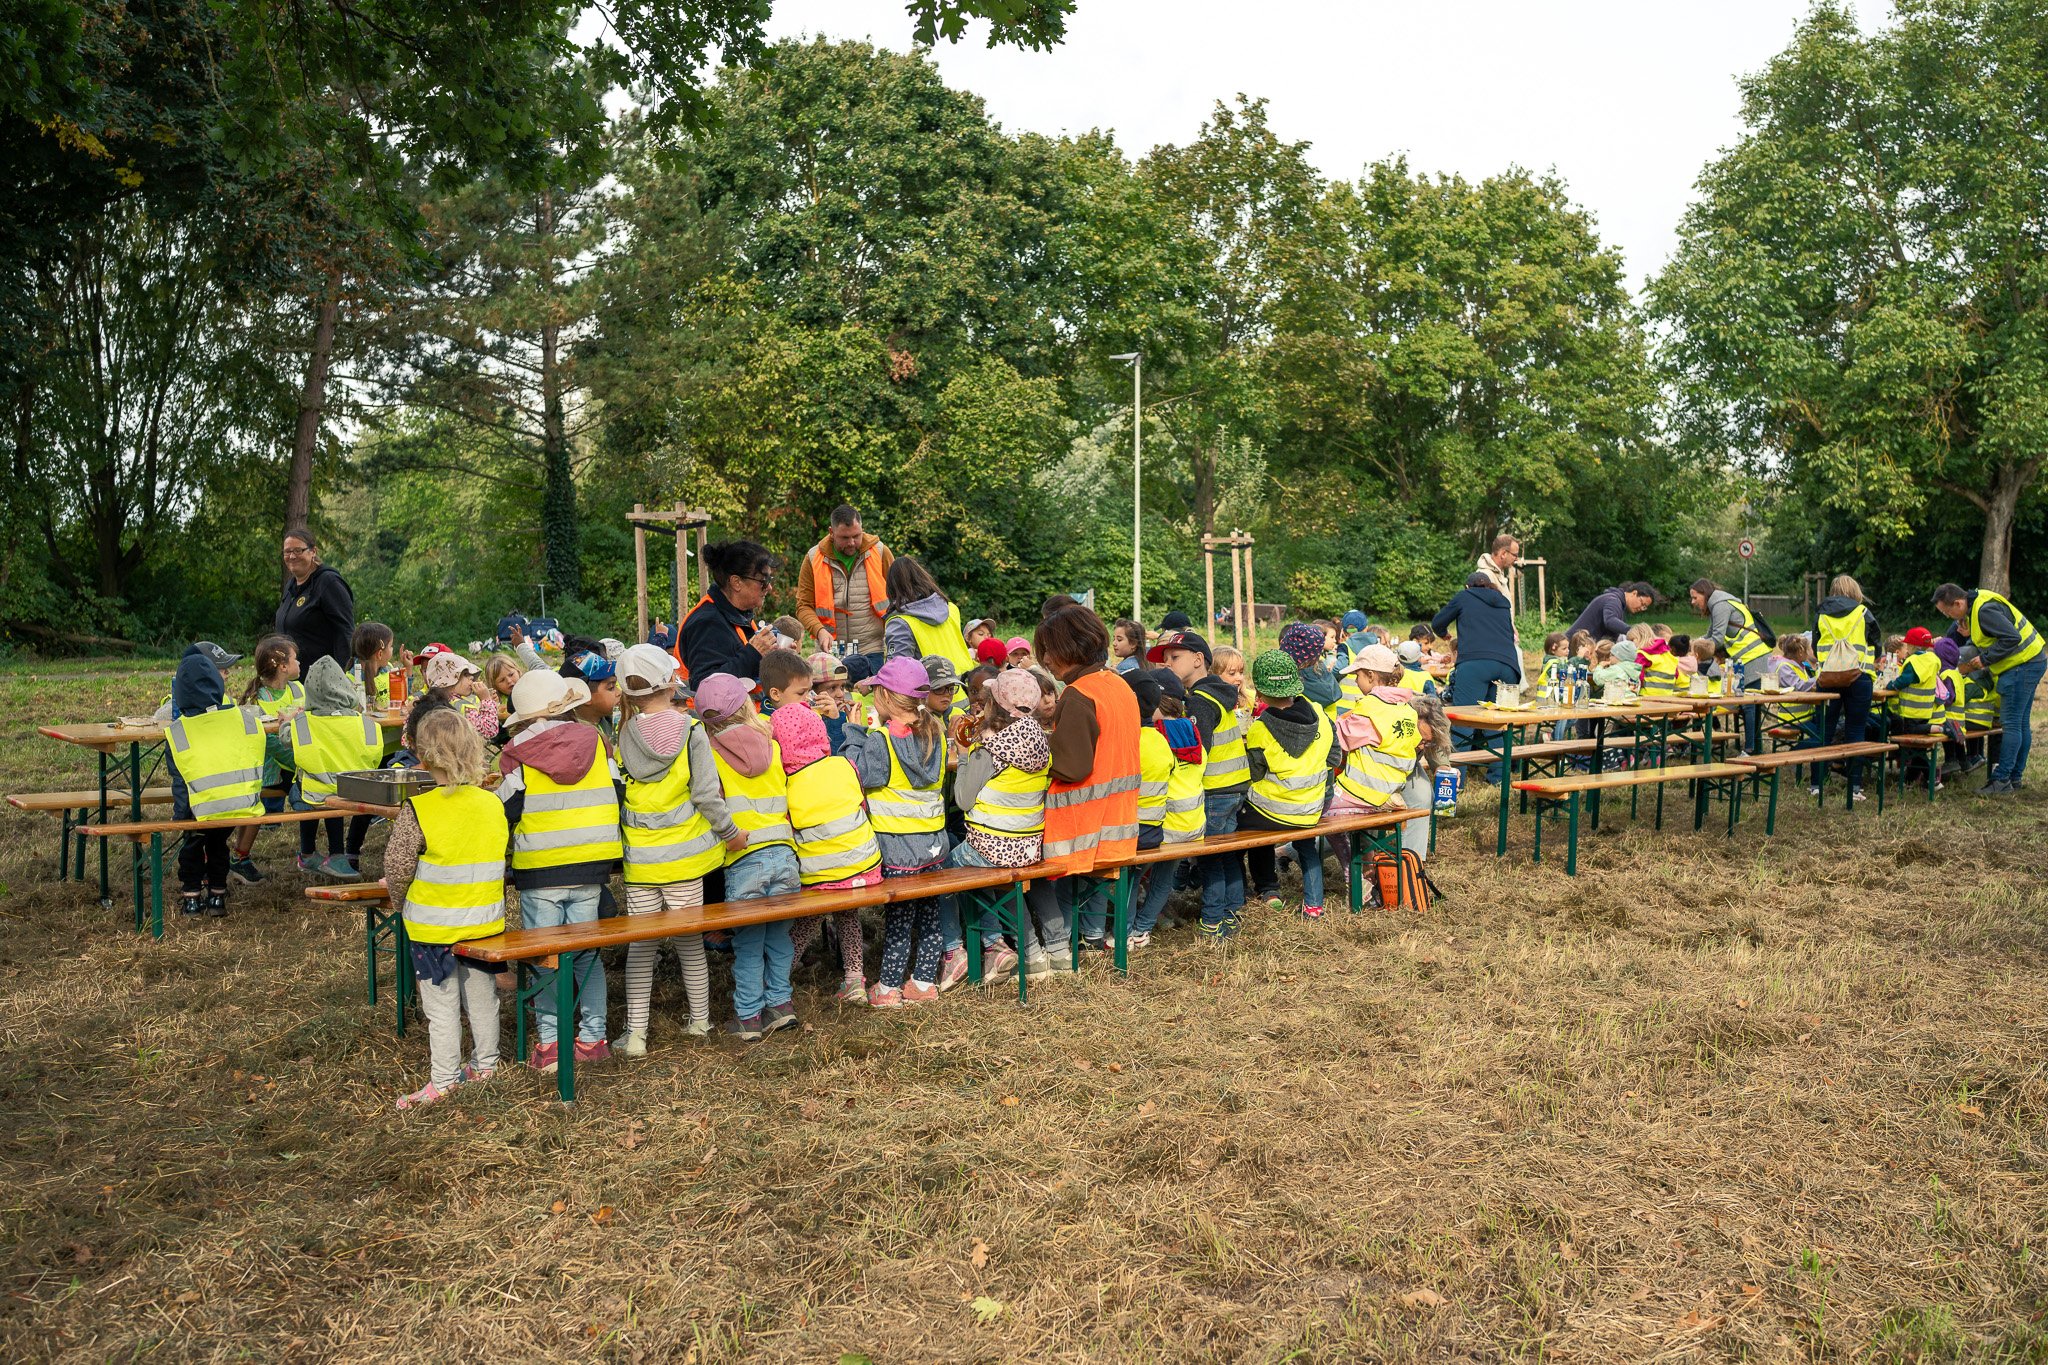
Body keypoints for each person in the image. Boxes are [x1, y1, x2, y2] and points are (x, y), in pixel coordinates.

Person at [498, 669, 619, 1071]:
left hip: (542, 871)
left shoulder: (515, 752)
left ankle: (550, 1044)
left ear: (525, 716)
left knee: (544, 957)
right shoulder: (598, 742)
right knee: (586, 956)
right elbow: (617, 791)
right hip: (591, 866)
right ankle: (593, 1036)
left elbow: (505, 809)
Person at [617, 645, 735, 1053]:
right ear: (671, 682)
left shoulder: (623, 732)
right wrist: (730, 832)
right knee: (689, 942)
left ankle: (635, 1034)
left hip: (641, 861)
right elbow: (705, 793)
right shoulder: (692, 731)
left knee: (641, 946)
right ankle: (700, 1022)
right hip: (686, 859)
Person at [387, 708, 506, 1109]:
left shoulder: (419, 809)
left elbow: (398, 866)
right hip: (485, 922)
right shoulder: (493, 805)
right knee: (483, 998)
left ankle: (444, 1079)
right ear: (474, 749)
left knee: (441, 1007)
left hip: (433, 928)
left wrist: (400, 903)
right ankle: (486, 1065)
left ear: (422, 757)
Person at [839, 658, 956, 1003]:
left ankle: (888, 988)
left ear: (886, 697)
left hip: (896, 849)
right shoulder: (938, 734)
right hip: (934, 847)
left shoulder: (881, 741)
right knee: (931, 917)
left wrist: (854, 732)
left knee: (900, 922)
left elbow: (855, 775)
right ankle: (923, 984)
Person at [695, 673, 803, 1039]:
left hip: (744, 858)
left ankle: (748, 1016)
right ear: (745, 704)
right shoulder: (771, 737)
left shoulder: (708, 750)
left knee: (748, 943)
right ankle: (781, 1004)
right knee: (779, 939)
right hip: (785, 852)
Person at [951, 667, 1063, 978]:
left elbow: (963, 800)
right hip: (1029, 844)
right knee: (1008, 880)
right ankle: (1046, 953)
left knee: (946, 867)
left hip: (992, 846)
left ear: (994, 706)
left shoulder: (991, 748)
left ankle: (985, 948)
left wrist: (963, 755)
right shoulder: (1039, 741)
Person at [772, 702, 878, 1006]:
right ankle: (855, 979)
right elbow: (861, 806)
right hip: (863, 867)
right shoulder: (843, 764)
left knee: (806, 921)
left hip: (820, 876)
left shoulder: (787, 784)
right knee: (847, 915)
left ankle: (778, 980)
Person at [1149, 629, 1247, 939]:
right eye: (1164, 659)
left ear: (1197, 659)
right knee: (1228, 853)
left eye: (1174, 657)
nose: (1167, 663)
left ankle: (1214, 921)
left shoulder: (1201, 702)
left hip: (1217, 789)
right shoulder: (1217, 692)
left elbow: (1197, 752)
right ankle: (1232, 911)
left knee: (1210, 858)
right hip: (1235, 786)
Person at [164, 641, 264, 919]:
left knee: (193, 843)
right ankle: (218, 896)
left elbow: (180, 783)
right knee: (218, 846)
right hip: (239, 807)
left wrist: (181, 817)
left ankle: (192, 898)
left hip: (200, 810)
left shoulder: (179, 732)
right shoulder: (242, 719)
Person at [1239, 649, 1338, 917]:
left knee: (1235, 825)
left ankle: (1249, 893)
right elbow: (1334, 756)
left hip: (1271, 812)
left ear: (1260, 692)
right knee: (1307, 845)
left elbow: (1254, 774)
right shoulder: (1320, 714)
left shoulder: (1260, 728)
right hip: (1311, 810)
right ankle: (1314, 906)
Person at [1933, 582, 2043, 794]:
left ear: (1957, 603)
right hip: (2031, 661)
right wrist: (1970, 637)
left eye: (1948, 612)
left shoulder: (1984, 611)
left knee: (2011, 724)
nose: (1950, 617)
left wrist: (1985, 659)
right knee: (2020, 723)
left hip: (2022, 665)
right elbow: (1994, 636)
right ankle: (2014, 778)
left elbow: (2012, 638)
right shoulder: (1978, 603)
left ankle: (2002, 780)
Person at [286, 656, 385, 879]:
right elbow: (375, 757)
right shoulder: (366, 722)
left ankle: (308, 852)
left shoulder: (302, 723)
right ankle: (337, 855)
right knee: (335, 786)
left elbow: (285, 737)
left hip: (314, 794)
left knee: (303, 788)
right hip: (355, 792)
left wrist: (289, 719)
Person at [1326, 644, 1421, 873]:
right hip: (1391, 789)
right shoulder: (1406, 709)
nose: (1355, 681)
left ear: (1370, 675)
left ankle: (1356, 873)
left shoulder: (1371, 708)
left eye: (1357, 676)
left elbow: (1338, 739)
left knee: (1322, 812)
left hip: (1362, 791)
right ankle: (1367, 864)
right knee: (1355, 827)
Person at [1129, 668, 1203, 947]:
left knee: (1134, 875)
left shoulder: (1157, 736)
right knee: (1163, 879)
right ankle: (1143, 928)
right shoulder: (1193, 732)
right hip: (1192, 823)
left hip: (1163, 823)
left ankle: (1128, 929)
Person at [228, 635, 303, 884]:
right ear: (282, 666)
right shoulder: (259, 699)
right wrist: (298, 761)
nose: (300, 663)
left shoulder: (298, 689)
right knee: (254, 808)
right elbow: (270, 743)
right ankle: (239, 858)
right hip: (270, 771)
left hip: (298, 764)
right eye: (295, 659)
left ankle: (312, 853)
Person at [1432, 571, 1522, 778]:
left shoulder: (1465, 596)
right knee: (1496, 722)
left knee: (1464, 722)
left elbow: (1438, 622)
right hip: (1508, 665)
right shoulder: (1502, 601)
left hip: (1476, 663)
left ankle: (1457, 779)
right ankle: (1498, 778)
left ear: (1467, 587)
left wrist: (1445, 634)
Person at [795, 506, 896, 663]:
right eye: (844, 538)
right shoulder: (813, 558)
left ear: (862, 529)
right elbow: (803, 606)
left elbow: (899, 597)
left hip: (871, 648)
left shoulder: (881, 552)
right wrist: (820, 631)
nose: (851, 543)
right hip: (830, 649)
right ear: (831, 532)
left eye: (856, 536)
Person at [1811, 574, 1881, 799]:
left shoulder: (1821, 614)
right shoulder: (1863, 613)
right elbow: (1876, 646)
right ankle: (1855, 787)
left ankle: (1816, 784)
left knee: (1824, 730)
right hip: (1859, 677)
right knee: (1856, 730)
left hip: (1828, 679)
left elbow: (1814, 646)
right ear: (1855, 591)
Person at [680, 540, 781, 685]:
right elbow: (705, 684)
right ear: (736, 582)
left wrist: (778, 656)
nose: (769, 587)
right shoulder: (707, 623)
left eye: (770, 580)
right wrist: (754, 653)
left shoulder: (739, 614)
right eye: (763, 581)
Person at [1689, 578, 1773, 751]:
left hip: (1752, 657)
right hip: (1749, 657)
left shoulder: (1720, 605)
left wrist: (1699, 651)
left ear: (1704, 593)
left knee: (1749, 703)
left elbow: (1717, 639)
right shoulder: (1720, 603)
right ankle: (1755, 748)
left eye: (1695, 597)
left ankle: (1750, 749)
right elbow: (1710, 634)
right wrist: (1695, 644)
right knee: (1752, 704)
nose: (1693, 602)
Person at [274, 528, 355, 673]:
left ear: (313, 552)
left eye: (298, 550)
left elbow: (344, 632)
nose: (292, 556)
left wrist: (345, 675)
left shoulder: (328, 582)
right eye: (287, 551)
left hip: (321, 679)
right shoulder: (290, 587)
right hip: (292, 679)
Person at [883, 557, 974, 673]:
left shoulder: (900, 623)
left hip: (933, 689)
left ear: (892, 587)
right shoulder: (951, 609)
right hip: (964, 686)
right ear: (923, 577)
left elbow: (896, 673)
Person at [1884, 626, 1945, 786]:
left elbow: (1904, 681)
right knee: (1917, 748)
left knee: (1912, 743)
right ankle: (1909, 779)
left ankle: (1933, 778)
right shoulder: (1933, 660)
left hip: (1911, 710)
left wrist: (1891, 685)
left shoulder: (1913, 662)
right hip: (1925, 710)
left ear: (1911, 646)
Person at [1473, 534, 1524, 682]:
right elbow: (1485, 613)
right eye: (1515, 554)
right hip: (1491, 641)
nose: (1516, 558)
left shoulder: (1498, 574)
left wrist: (1511, 626)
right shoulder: (1484, 576)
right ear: (1503, 554)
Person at [1567, 582, 1659, 643]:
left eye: (1644, 607)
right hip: (1572, 648)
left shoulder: (1618, 604)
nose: (1641, 608)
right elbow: (1610, 621)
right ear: (1634, 593)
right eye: (1642, 603)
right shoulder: (1613, 600)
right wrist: (1633, 631)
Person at [758, 648, 815, 716]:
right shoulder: (764, 725)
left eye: (809, 690)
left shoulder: (809, 713)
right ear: (775, 694)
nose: (809, 698)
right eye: (801, 693)